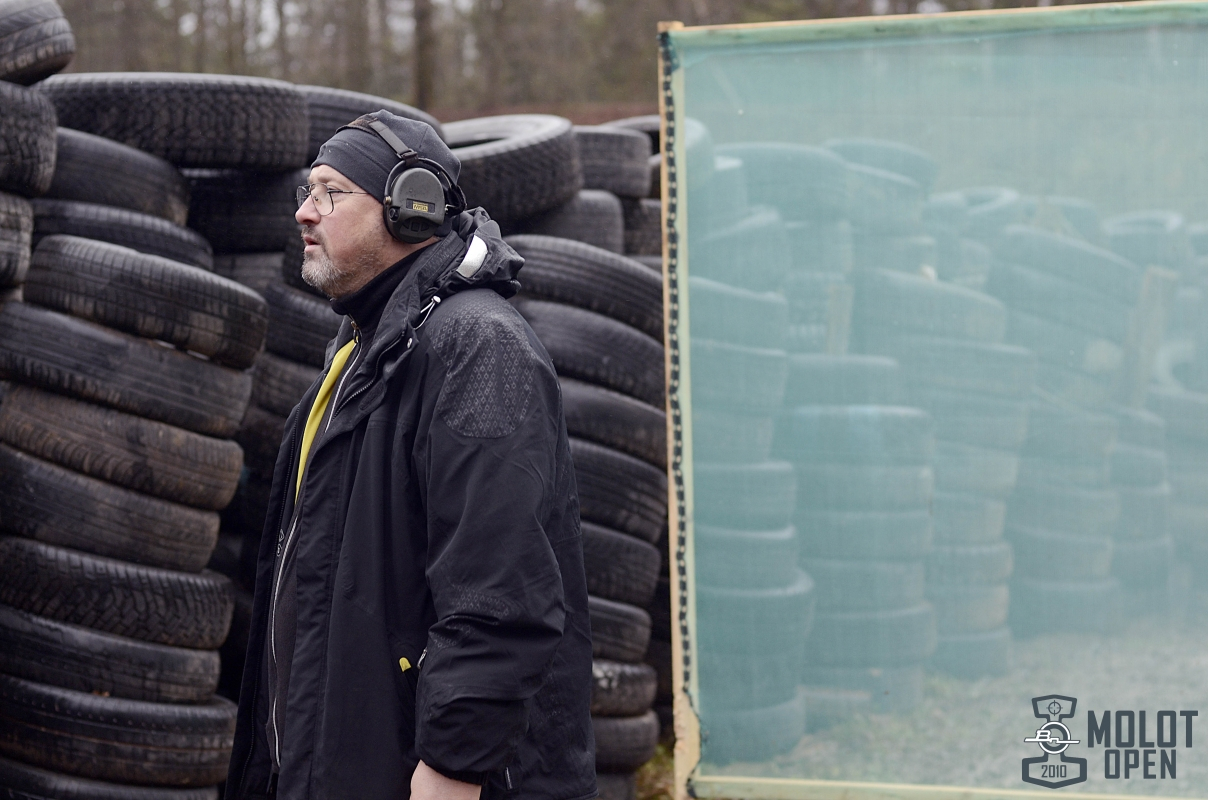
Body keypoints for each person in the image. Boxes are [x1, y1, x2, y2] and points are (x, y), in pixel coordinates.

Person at [224, 110, 596, 800]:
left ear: (410, 207)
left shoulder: (476, 347)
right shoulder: (362, 350)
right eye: (307, 191)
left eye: (332, 192)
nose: (305, 211)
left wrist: (454, 764)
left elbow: (500, 588)